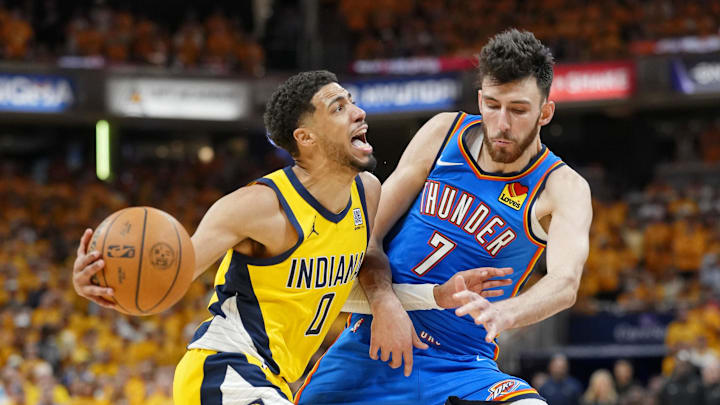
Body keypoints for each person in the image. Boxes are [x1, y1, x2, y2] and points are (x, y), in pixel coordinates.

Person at [72, 70, 510, 404]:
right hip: (226, 368)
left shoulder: (367, 193)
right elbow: (175, 274)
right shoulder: (256, 207)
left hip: (276, 380)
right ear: (306, 138)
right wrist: (101, 281)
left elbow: (354, 271)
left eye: (352, 102)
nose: (358, 112)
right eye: (338, 108)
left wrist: (412, 298)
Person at [296, 29, 592, 405]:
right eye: (493, 105)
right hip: (372, 341)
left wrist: (504, 313)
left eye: (518, 110)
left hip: (462, 363)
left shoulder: (562, 186)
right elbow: (364, 236)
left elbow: (565, 282)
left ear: (545, 112)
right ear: (480, 99)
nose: (502, 123)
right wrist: (385, 302)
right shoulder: (443, 132)